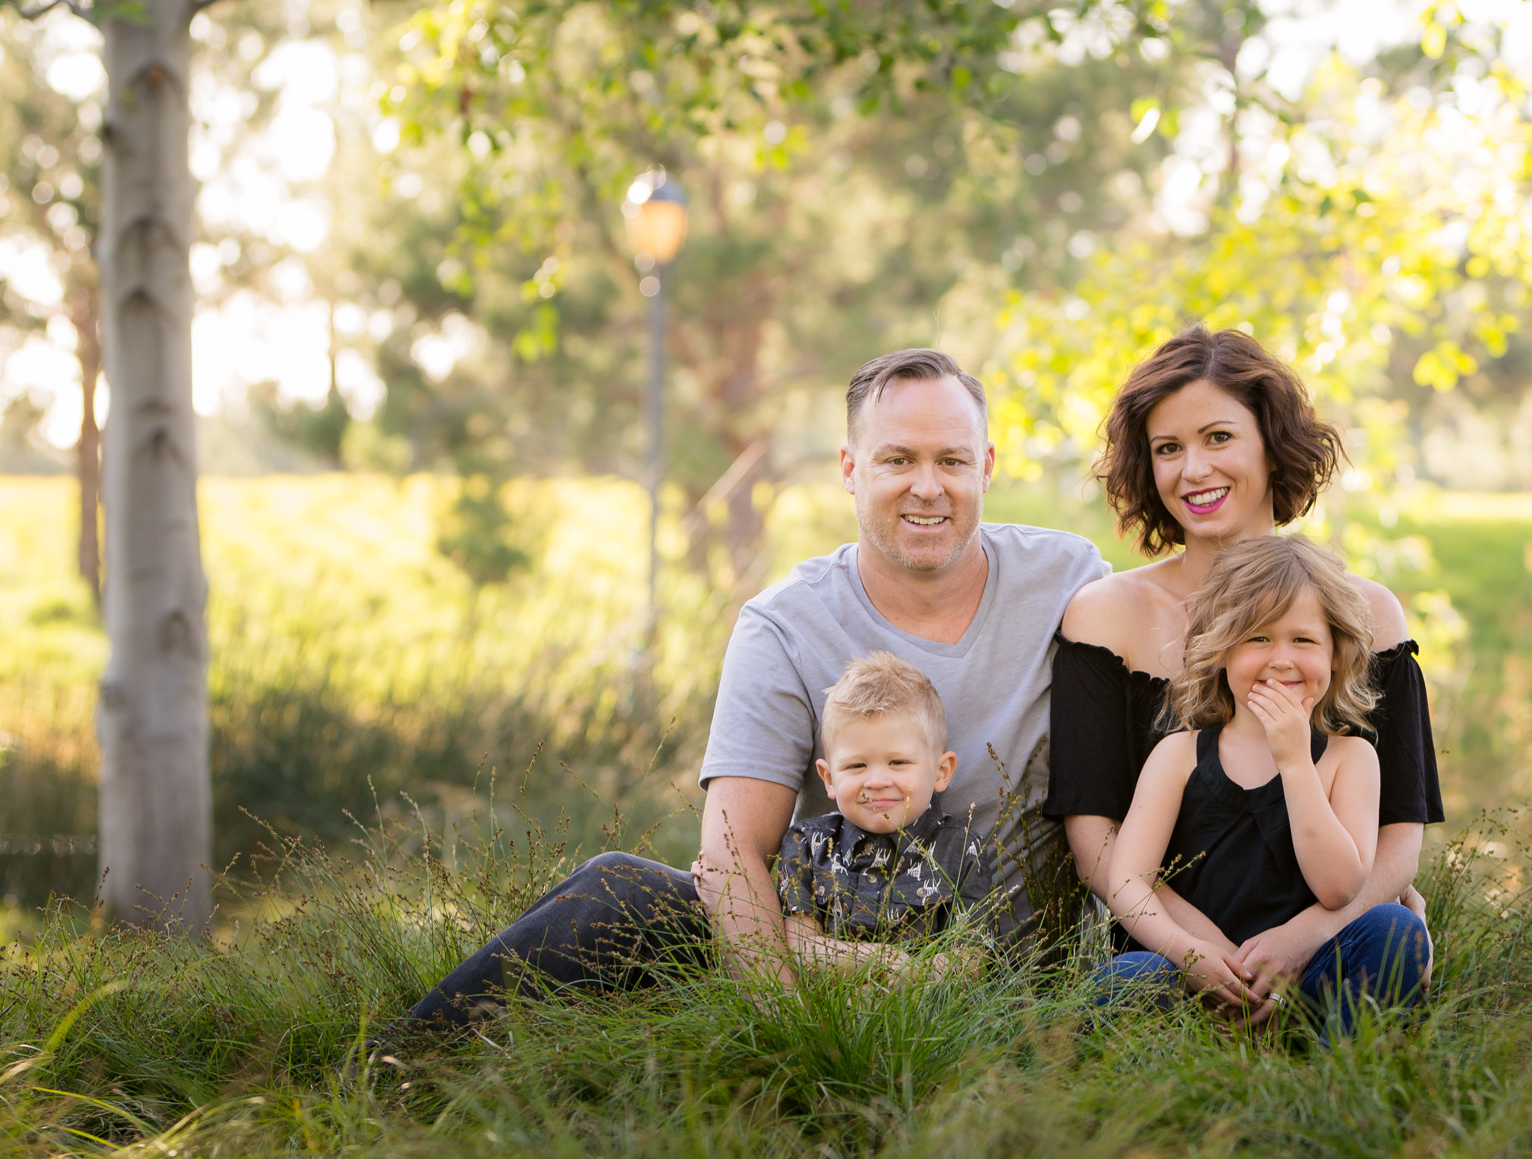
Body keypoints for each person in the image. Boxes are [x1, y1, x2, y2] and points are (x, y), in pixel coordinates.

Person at [395, 348, 1107, 1033]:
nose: (928, 486)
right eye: (898, 460)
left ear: (985, 467)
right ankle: (395, 1068)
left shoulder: (1068, 581)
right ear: (850, 469)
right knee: (617, 889)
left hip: (1018, 974)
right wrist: (796, 1027)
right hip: (832, 959)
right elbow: (733, 855)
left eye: (951, 460)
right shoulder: (786, 624)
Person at [1049, 326, 1443, 1029]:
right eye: (1168, 449)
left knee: (1390, 941)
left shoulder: (1366, 615)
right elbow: (1098, 847)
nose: (1192, 470)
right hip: (1169, 951)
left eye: (1218, 437)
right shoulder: (1106, 617)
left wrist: (1305, 939)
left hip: (1326, 939)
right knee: (1128, 993)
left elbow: (1397, 839)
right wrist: (1211, 956)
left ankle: (1341, 1098)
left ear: (1270, 440)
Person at [1092, 536, 1429, 1037]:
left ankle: (1336, 1064)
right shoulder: (1178, 756)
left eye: (1304, 640)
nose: (1281, 659)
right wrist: (1192, 955)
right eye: (1258, 639)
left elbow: (1340, 888)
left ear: (1336, 654)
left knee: (1396, 932)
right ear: (1221, 650)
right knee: (1124, 979)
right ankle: (1190, 1064)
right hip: (1196, 979)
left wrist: (1296, 763)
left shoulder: (1350, 759)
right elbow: (1126, 882)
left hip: (1311, 977)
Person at [773, 651, 999, 980]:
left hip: (927, 1022)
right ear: (830, 778)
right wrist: (879, 960)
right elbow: (802, 948)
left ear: (941, 771)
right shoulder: (807, 846)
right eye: (856, 765)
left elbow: (972, 961)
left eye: (898, 762)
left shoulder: (960, 849)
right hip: (827, 1021)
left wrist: (908, 978)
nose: (877, 781)